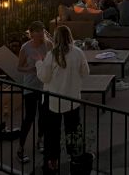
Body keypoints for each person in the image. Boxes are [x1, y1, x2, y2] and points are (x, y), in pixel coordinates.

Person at [36, 26, 89, 173]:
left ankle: (53, 161)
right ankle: (75, 157)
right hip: (72, 99)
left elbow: (44, 77)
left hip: (54, 100)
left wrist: (38, 64)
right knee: (73, 130)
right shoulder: (78, 53)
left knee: (52, 132)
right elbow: (85, 72)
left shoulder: (51, 55)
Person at [17, 21, 52, 163]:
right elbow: (19, 67)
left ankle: (40, 140)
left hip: (44, 85)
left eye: (42, 34)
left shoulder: (48, 44)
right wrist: (31, 70)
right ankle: (20, 147)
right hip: (30, 86)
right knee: (29, 117)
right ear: (31, 34)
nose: (40, 38)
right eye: (37, 35)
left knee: (43, 115)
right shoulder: (25, 48)